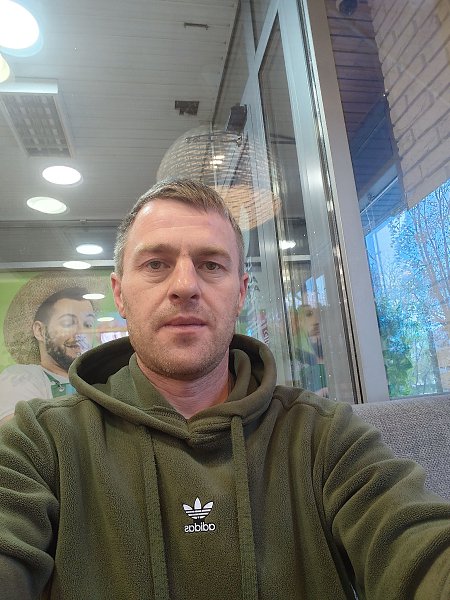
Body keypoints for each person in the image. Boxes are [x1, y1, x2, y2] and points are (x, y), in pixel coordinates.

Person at [0, 178, 449, 600]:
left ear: (240, 293)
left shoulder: (325, 436)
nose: (185, 286)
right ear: (119, 294)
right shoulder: (39, 443)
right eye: (156, 264)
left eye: (211, 265)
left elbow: (417, 546)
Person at [0, 275, 98, 423]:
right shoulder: (20, 377)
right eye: (67, 323)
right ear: (40, 331)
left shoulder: (98, 379)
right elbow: (18, 432)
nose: (81, 333)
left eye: (88, 324)